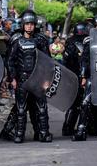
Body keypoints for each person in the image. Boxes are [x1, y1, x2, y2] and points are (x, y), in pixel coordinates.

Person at [8, 9, 53, 143]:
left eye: (32, 24)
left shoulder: (40, 41)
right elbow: (10, 61)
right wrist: (13, 78)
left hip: (38, 79)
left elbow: (47, 62)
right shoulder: (17, 41)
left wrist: (46, 80)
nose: (29, 26)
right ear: (23, 25)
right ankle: (19, 134)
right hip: (22, 79)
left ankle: (44, 133)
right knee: (21, 109)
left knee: (42, 108)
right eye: (27, 24)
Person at [61, 22, 88, 136]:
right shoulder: (72, 43)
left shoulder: (74, 41)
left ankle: (69, 127)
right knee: (77, 104)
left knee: (78, 103)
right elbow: (68, 59)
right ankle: (68, 127)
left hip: (77, 76)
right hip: (76, 75)